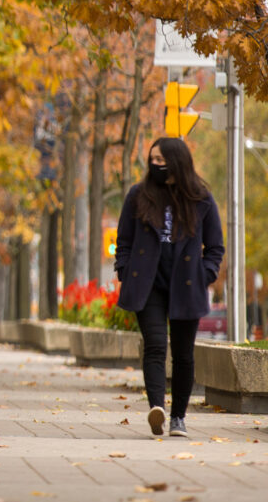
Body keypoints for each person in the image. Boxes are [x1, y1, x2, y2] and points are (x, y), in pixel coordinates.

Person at [114, 137, 223, 438]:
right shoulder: (138, 195)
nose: (156, 164)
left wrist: (205, 274)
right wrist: (125, 270)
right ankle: (157, 409)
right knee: (155, 345)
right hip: (148, 285)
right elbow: (123, 241)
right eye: (153, 159)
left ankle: (178, 418)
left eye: (161, 159)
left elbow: (215, 247)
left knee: (184, 354)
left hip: (186, 284)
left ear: (177, 161)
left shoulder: (201, 200)